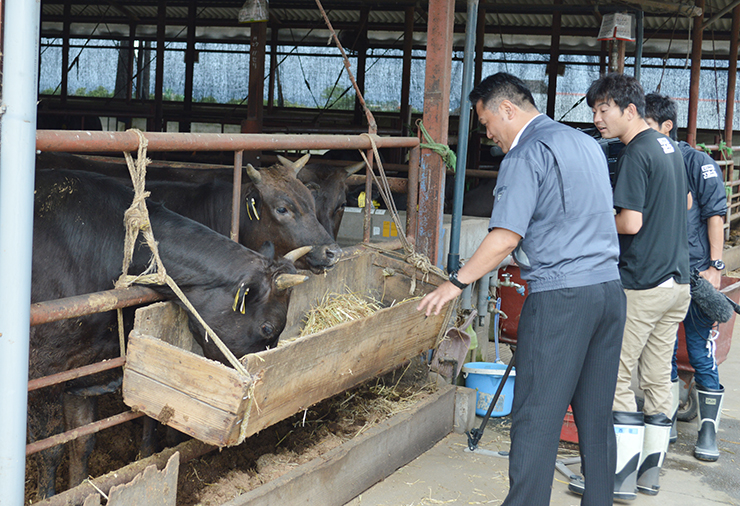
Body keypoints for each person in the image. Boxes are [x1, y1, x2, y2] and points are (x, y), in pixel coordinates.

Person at [417, 72, 626, 506]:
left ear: (508, 109)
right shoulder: (586, 144)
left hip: (562, 298)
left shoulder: (526, 153)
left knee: (536, 417)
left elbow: (505, 238)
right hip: (608, 291)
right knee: (595, 416)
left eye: (486, 122)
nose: (487, 134)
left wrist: (455, 283)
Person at [570, 73, 691, 500]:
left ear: (630, 110)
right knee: (657, 377)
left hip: (642, 283)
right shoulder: (669, 147)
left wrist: (590, 217)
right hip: (677, 283)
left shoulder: (636, 151)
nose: (597, 119)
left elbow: (630, 222)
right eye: (595, 110)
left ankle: (617, 476)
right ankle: (648, 474)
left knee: (616, 375)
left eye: (604, 109)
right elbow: (685, 203)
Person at [645, 92, 727, 462]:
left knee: (698, 349)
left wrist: (715, 266)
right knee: (661, 348)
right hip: (660, 271)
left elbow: (714, 215)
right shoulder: (644, 158)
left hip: (696, 272)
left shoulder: (697, 162)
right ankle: (668, 419)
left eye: (647, 125)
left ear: (666, 126)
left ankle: (708, 428)